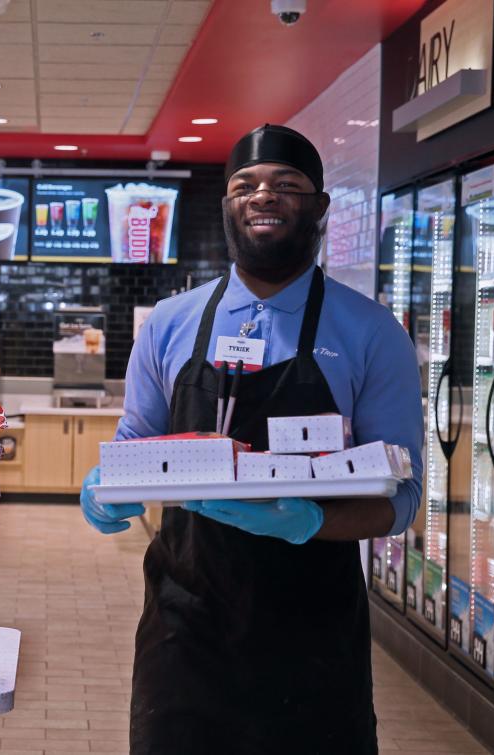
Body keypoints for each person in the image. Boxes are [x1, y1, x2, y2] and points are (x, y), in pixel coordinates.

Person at [79, 124, 423, 754]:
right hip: (184, 628)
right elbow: (136, 440)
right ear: (228, 207)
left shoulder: (372, 333)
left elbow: (402, 499)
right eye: (246, 185)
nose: (263, 195)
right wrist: (106, 489)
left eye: (286, 185)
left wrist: (306, 519)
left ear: (319, 207)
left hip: (314, 633)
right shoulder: (171, 323)